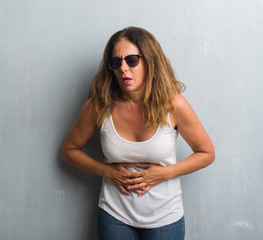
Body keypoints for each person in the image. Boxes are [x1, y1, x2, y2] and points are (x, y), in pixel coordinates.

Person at [61, 26, 215, 240]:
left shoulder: (174, 105)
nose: (123, 69)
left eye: (132, 60)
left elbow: (206, 153)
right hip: (115, 215)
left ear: (149, 60)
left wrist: (164, 173)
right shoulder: (99, 106)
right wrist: (105, 171)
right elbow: (69, 150)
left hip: (165, 217)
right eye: (116, 63)